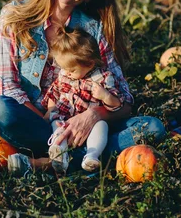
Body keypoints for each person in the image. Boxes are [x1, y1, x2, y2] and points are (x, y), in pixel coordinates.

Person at [0, 0, 166, 176]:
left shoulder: (93, 29)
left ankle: (46, 163)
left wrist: (94, 115)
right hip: (36, 124)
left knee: (152, 128)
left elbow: (125, 100)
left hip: (84, 126)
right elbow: (5, 86)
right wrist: (57, 129)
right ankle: (74, 156)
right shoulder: (14, 15)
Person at [41, 27, 124, 174]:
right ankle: (60, 152)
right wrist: (50, 109)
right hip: (66, 119)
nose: (66, 73)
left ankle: (91, 155)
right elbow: (53, 93)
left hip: (90, 125)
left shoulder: (103, 78)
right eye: (63, 68)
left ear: (90, 64)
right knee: (57, 124)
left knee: (102, 126)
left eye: (71, 70)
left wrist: (105, 96)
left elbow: (118, 104)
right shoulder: (64, 75)